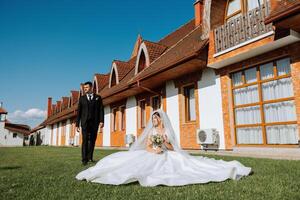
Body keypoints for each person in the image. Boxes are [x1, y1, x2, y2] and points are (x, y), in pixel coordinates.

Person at [76, 109, 251, 187]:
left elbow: (172, 148)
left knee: (181, 165)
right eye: (153, 118)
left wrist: (165, 144)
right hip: (152, 153)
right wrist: (153, 150)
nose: (154, 120)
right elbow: (147, 145)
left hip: (166, 154)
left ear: (160, 119)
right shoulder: (152, 130)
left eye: (155, 118)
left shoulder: (166, 130)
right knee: (131, 163)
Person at [76, 81, 104, 165]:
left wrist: (101, 121)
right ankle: (84, 160)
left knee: (92, 140)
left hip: (94, 123)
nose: (85, 89)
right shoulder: (82, 98)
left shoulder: (98, 98)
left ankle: (90, 157)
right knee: (85, 140)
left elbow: (101, 110)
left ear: (91, 88)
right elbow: (79, 112)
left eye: (87, 88)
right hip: (84, 123)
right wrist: (77, 124)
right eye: (84, 88)